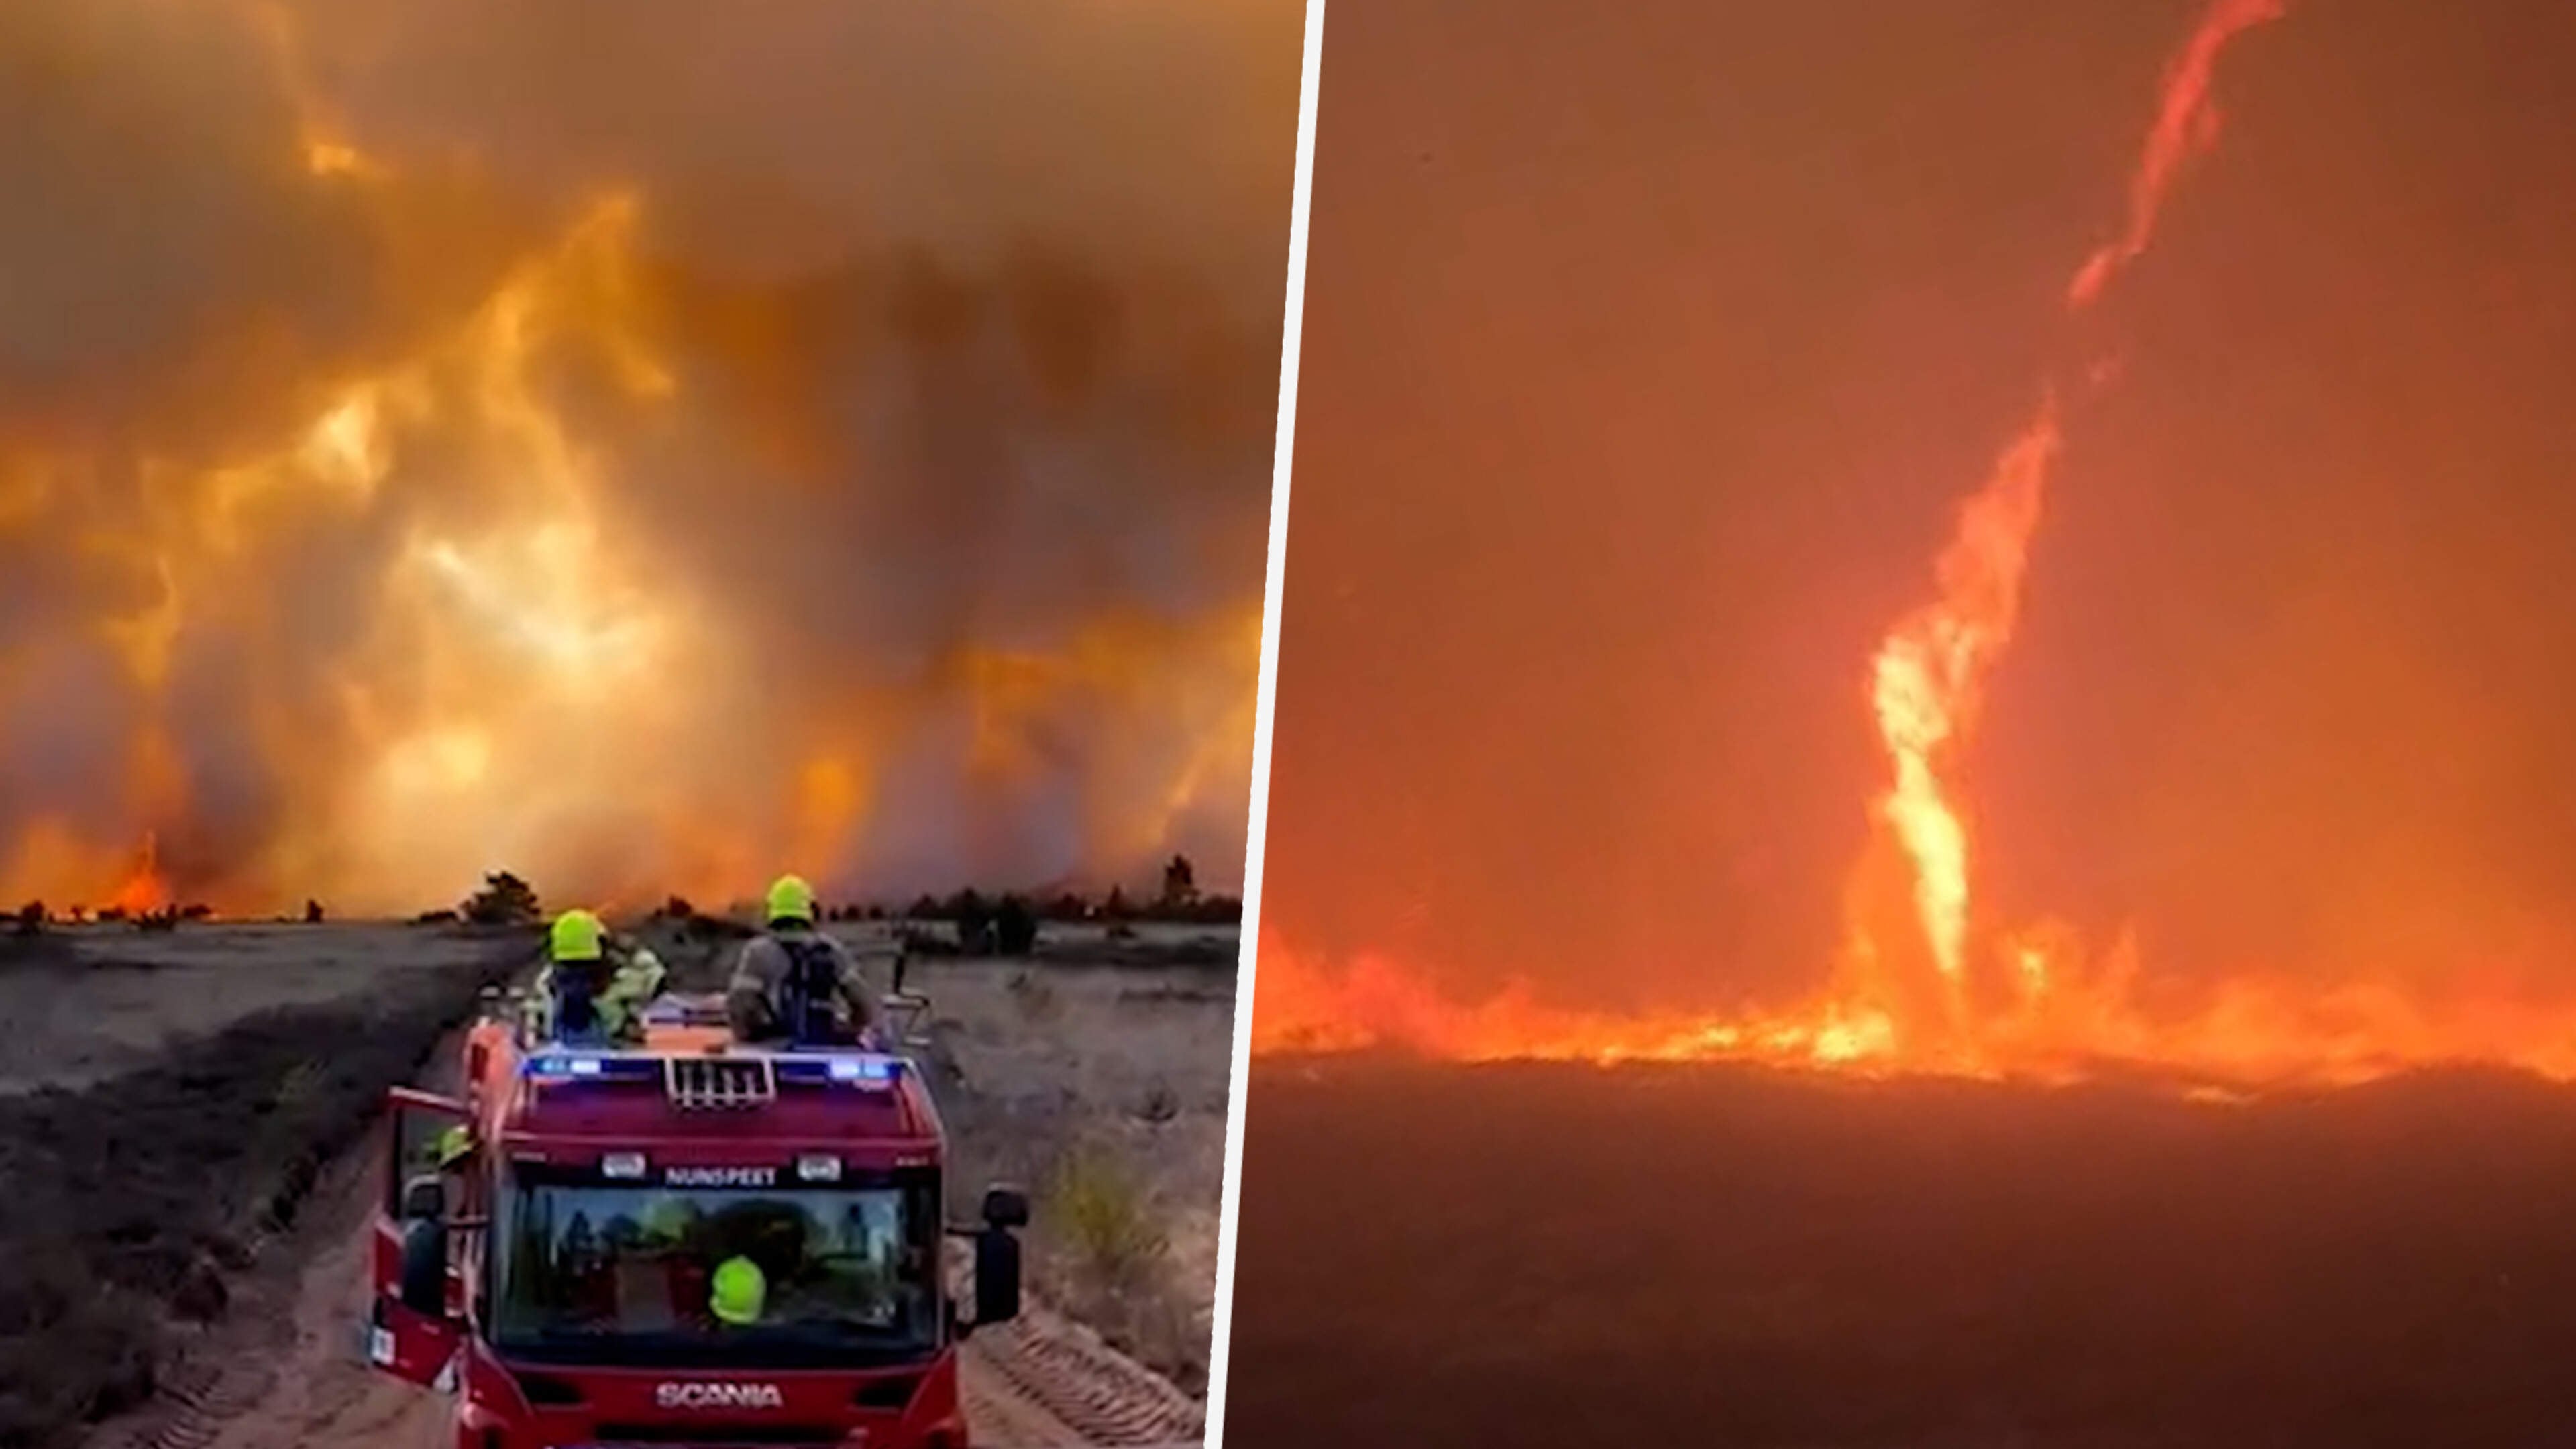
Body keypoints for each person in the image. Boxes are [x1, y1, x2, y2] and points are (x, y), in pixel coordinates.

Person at [726, 875, 883, 1048]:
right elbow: (864, 1005)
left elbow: (740, 1006)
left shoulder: (757, 952)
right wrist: (847, 1032)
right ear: (810, 910)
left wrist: (752, 1036)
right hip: (823, 1047)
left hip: (771, 1049)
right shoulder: (831, 950)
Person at [529, 909, 667, 1044]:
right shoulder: (625, 982)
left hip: (559, 1053)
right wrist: (633, 949)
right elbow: (655, 976)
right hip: (617, 1053)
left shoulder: (546, 985)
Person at [709, 1254, 767, 1328]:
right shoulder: (753, 1271)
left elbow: (717, 1284)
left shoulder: (726, 1268)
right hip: (748, 1314)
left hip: (724, 1311)